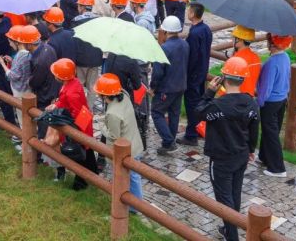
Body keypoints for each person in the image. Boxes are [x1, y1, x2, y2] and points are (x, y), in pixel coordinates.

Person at [196, 57, 259, 241]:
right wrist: (251, 149)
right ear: (243, 79)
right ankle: (228, 229)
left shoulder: (217, 105)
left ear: (223, 78)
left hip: (221, 159)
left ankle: (232, 237)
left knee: (224, 200)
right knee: (234, 193)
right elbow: (254, 129)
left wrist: (209, 92)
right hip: (241, 155)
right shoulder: (251, 103)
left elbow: (198, 112)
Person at [46, 58, 98, 190]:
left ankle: (80, 184)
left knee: (81, 152)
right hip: (83, 120)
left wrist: (72, 131)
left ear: (61, 76)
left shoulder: (71, 93)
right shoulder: (72, 82)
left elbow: (75, 113)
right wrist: (56, 105)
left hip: (80, 125)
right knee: (87, 149)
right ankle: (93, 175)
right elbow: (64, 100)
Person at [94, 73, 145, 206]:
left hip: (126, 151)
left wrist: (101, 124)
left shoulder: (112, 114)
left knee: (130, 177)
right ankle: (134, 204)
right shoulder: (124, 95)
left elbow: (113, 136)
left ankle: (135, 206)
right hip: (135, 143)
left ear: (103, 95)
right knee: (134, 176)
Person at [150, 16, 189, 155]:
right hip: (181, 85)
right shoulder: (185, 44)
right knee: (174, 114)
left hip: (166, 88)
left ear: (165, 31)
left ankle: (168, 141)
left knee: (156, 112)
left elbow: (157, 73)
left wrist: (153, 87)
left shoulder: (164, 48)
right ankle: (171, 140)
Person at [177, 2, 213, 146]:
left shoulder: (194, 33)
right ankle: (198, 129)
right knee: (199, 103)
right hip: (202, 72)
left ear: (192, 13)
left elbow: (192, 57)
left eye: (189, 11)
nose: (187, 13)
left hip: (193, 75)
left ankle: (191, 135)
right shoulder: (206, 29)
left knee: (191, 105)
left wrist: (186, 73)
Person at [256, 34, 292, 178]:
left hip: (270, 102)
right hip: (281, 100)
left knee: (271, 134)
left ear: (272, 44)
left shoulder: (271, 63)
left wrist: (259, 102)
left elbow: (266, 88)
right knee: (272, 131)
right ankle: (264, 156)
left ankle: (278, 168)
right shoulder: (286, 57)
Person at [24, 25, 61, 139]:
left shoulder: (39, 60)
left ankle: (42, 146)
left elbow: (35, 82)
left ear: (29, 44)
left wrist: (28, 80)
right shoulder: (48, 48)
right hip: (52, 92)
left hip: (44, 96)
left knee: (43, 128)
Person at [71, 0, 104, 111]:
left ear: (82, 7)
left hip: (81, 60)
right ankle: (89, 110)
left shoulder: (76, 21)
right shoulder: (99, 21)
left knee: (79, 86)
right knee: (92, 87)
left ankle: (79, 109)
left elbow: (73, 41)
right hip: (95, 59)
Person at [0, 25, 32, 130]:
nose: (9, 44)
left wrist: (2, 64)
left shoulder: (20, 56)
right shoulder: (27, 54)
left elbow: (13, 76)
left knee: (23, 120)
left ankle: (24, 139)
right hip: (28, 89)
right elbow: (21, 70)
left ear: (16, 42)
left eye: (10, 41)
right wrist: (12, 62)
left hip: (20, 92)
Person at [229, 26, 261, 97]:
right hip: (249, 98)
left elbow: (228, 84)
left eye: (234, 38)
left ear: (239, 39)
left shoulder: (236, 60)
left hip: (235, 99)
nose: (232, 40)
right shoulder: (256, 58)